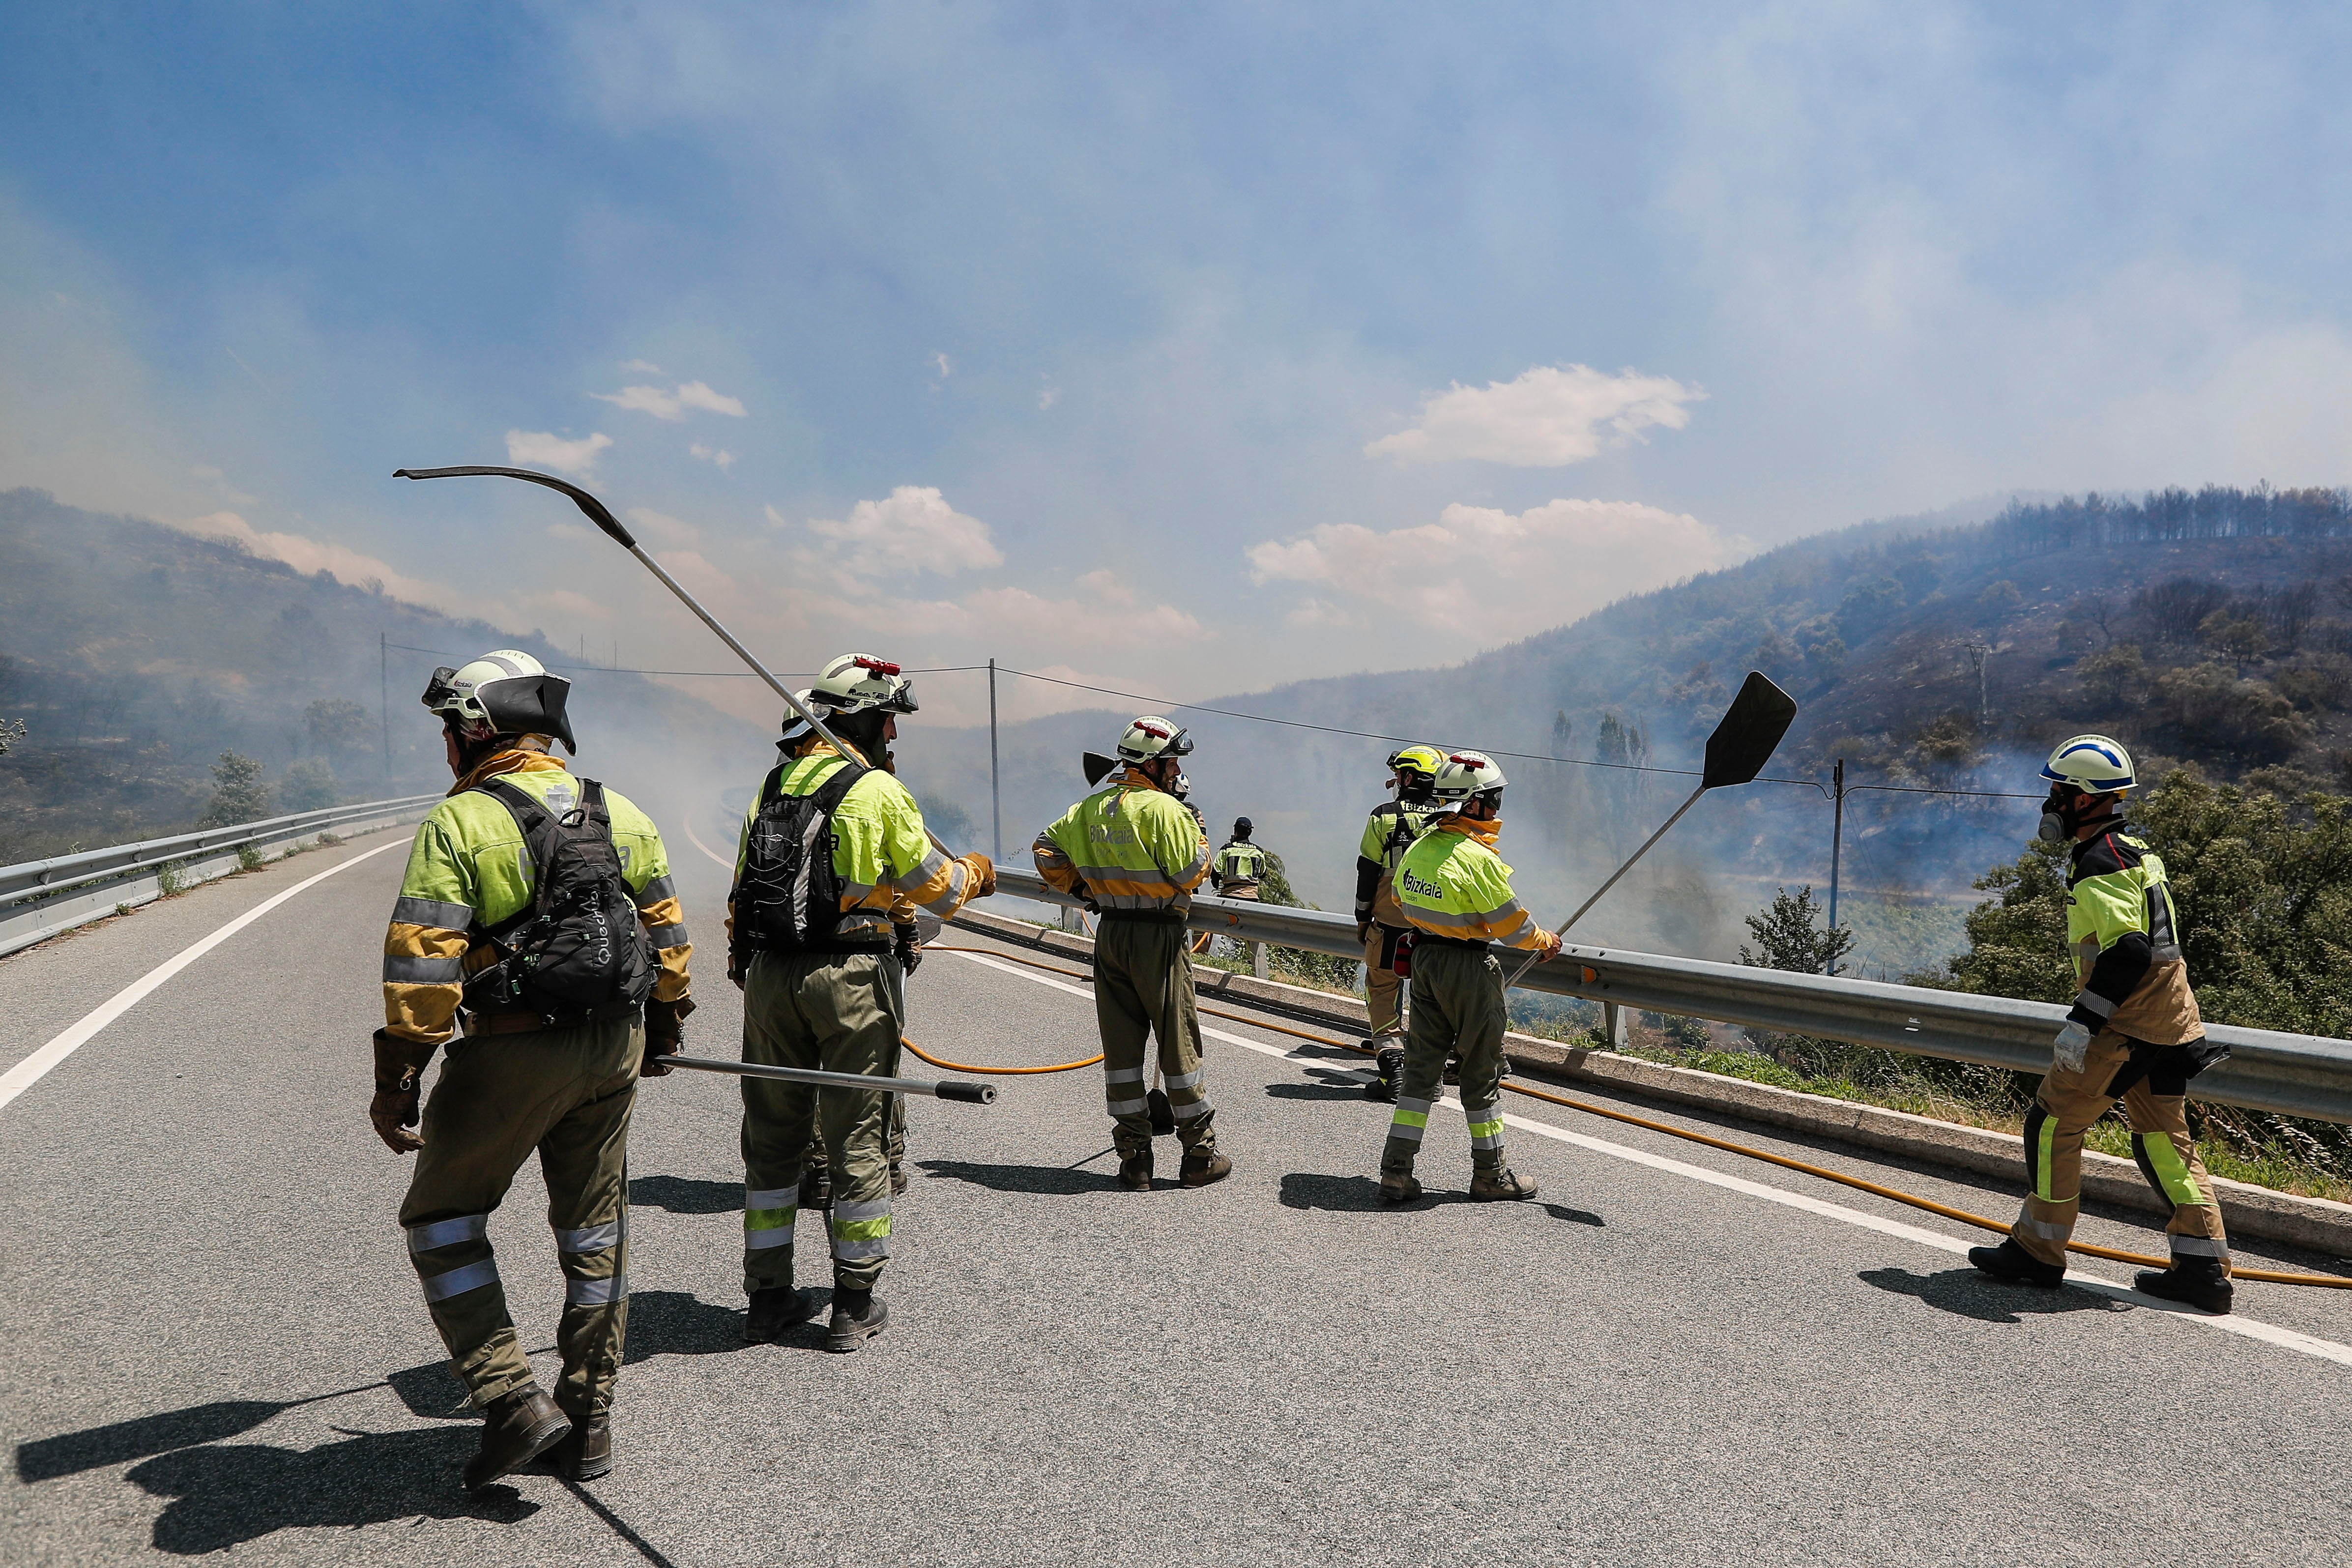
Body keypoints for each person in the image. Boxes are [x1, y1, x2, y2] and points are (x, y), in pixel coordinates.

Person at [372, 649, 695, 1489]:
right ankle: (589, 1425)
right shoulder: (618, 809)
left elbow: (423, 958)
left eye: (451, 729)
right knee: (595, 1231)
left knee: (442, 1218)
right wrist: (663, 1028)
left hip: (512, 1047)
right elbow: (667, 934)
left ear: (473, 732)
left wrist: (401, 1072)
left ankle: (512, 1400)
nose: (448, 745)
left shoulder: (462, 821)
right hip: (614, 1046)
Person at [727, 654, 993, 1350]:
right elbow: (938, 890)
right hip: (848, 977)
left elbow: (742, 887)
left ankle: (768, 1295)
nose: (893, 736)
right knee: (857, 1137)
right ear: (863, 718)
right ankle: (854, 1300)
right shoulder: (876, 790)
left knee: (773, 1141)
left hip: (771, 976)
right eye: (888, 720)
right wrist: (976, 873)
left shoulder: (776, 780)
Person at [1969, 735, 2233, 1312]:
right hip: (2173, 1023)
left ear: (2087, 800)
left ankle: (2038, 1250)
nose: (2051, 805)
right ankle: (2204, 1267)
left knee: (2052, 1123)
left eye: (2059, 792)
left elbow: (2131, 950)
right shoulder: (2136, 849)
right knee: (2165, 1142)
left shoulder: (2098, 861)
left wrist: (2083, 1022)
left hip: (2126, 1026)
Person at [1034, 716, 1232, 1191]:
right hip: (1158, 939)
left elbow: (1045, 851)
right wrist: (1200, 835)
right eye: (1173, 764)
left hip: (1111, 934)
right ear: (1157, 765)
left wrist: (1084, 887)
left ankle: (1135, 1160)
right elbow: (1190, 872)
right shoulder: (1166, 811)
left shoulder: (1089, 808)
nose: (1175, 772)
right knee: (1178, 1047)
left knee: (1122, 1052)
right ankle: (1199, 1156)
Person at [1377, 750, 1558, 1204]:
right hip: (1468, 969)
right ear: (1471, 805)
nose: (1496, 811)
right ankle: (1491, 1175)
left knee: (1420, 1071)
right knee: (1481, 1071)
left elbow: (1399, 898)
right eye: (1492, 801)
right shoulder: (1478, 860)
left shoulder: (1419, 846)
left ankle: (1396, 1171)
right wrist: (1545, 942)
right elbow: (1513, 929)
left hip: (1424, 962)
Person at [1355, 745, 1443, 1102]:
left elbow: (1367, 870)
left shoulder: (1383, 816)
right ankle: (1430, 1078)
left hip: (1389, 925)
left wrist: (1362, 918)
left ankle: (1393, 1071)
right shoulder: (1447, 818)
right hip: (1435, 929)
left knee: (1382, 990)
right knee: (1432, 998)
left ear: (1407, 777)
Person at [1210, 816, 1269, 968]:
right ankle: (1253, 964)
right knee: (1250, 934)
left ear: (1235, 830)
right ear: (1250, 833)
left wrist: (1216, 883)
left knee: (1224, 931)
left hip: (1229, 897)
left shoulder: (1227, 849)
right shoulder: (1258, 852)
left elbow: (1215, 871)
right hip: (1251, 899)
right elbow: (1262, 874)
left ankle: (1221, 962)